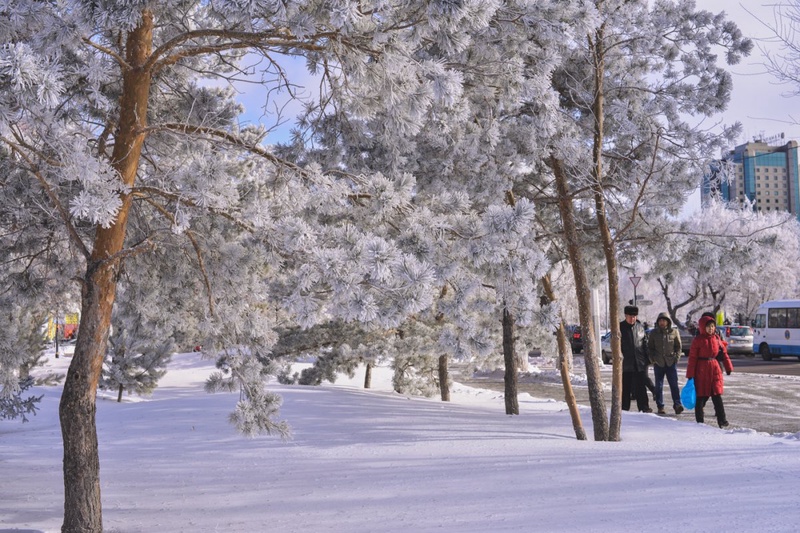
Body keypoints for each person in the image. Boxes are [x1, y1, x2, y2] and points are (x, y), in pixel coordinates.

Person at [687, 315, 733, 427]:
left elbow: (724, 354)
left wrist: (728, 367)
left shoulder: (717, 339)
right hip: (701, 371)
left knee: (717, 396)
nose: (711, 329)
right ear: (703, 327)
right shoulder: (698, 340)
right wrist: (690, 374)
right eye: (708, 327)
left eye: (712, 326)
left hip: (715, 369)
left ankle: (722, 420)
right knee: (701, 397)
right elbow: (692, 358)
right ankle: (700, 421)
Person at [648, 312, 684, 415]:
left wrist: (676, 358)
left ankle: (677, 404)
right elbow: (650, 348)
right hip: (658, 363)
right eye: (660, 321)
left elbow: (678, 347)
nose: (662, 322)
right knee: (658, 386)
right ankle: (660, 406)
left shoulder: (674, 332)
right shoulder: (654, 333)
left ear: (668, 322)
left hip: (670, 363)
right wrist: (653, 359)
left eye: (664, 320)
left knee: (674, 385)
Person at [620, 305, 652, 413]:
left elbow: (645, 344)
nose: (632, 318)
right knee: (625, 388)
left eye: (634, 316)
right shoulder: (620, 327)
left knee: (641, 387)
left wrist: (647, 359)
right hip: (626, 363)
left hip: (639, 363)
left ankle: (644, 407)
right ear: (626, 316)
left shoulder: (640, 327)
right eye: (630, 316)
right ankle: (624, 409)